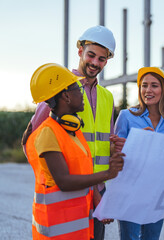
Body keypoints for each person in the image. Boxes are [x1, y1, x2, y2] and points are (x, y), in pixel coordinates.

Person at [22, 25, 125, 240]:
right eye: (91, 55)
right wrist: (48, 177)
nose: (95, 63)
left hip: (100, 186)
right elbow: (32, 140)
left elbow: (105, 141)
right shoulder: (60, 88)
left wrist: (116, 148)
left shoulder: (107, 97)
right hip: (71, 187)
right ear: (80, 51)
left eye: (102, 59)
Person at [114, 67, 164, 240]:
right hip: (129, 192)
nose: (148, 90)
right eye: (144, 86)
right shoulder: (126, 116)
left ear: (163, 90)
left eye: (154, 85)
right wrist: (138, 143)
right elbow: (116, 156)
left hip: (157, 194)